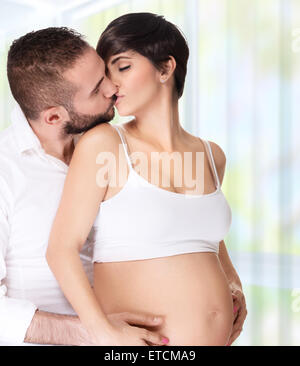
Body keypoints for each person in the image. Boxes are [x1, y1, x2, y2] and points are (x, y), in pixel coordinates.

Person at [47, 13, 247, 346]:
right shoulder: (105, 145)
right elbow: (61, 250)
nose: (112, 86)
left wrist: (233, 282)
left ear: (166, 68)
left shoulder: (211, 156)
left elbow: (204, 235)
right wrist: (100, 330)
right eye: (107, 75)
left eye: (122, 67)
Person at [0, 27, 169, 346]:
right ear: (53, 117)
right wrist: (93, 331)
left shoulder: (117, 144)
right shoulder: (5, 173)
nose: (112, 87)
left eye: (105, 72)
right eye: (96, 90)